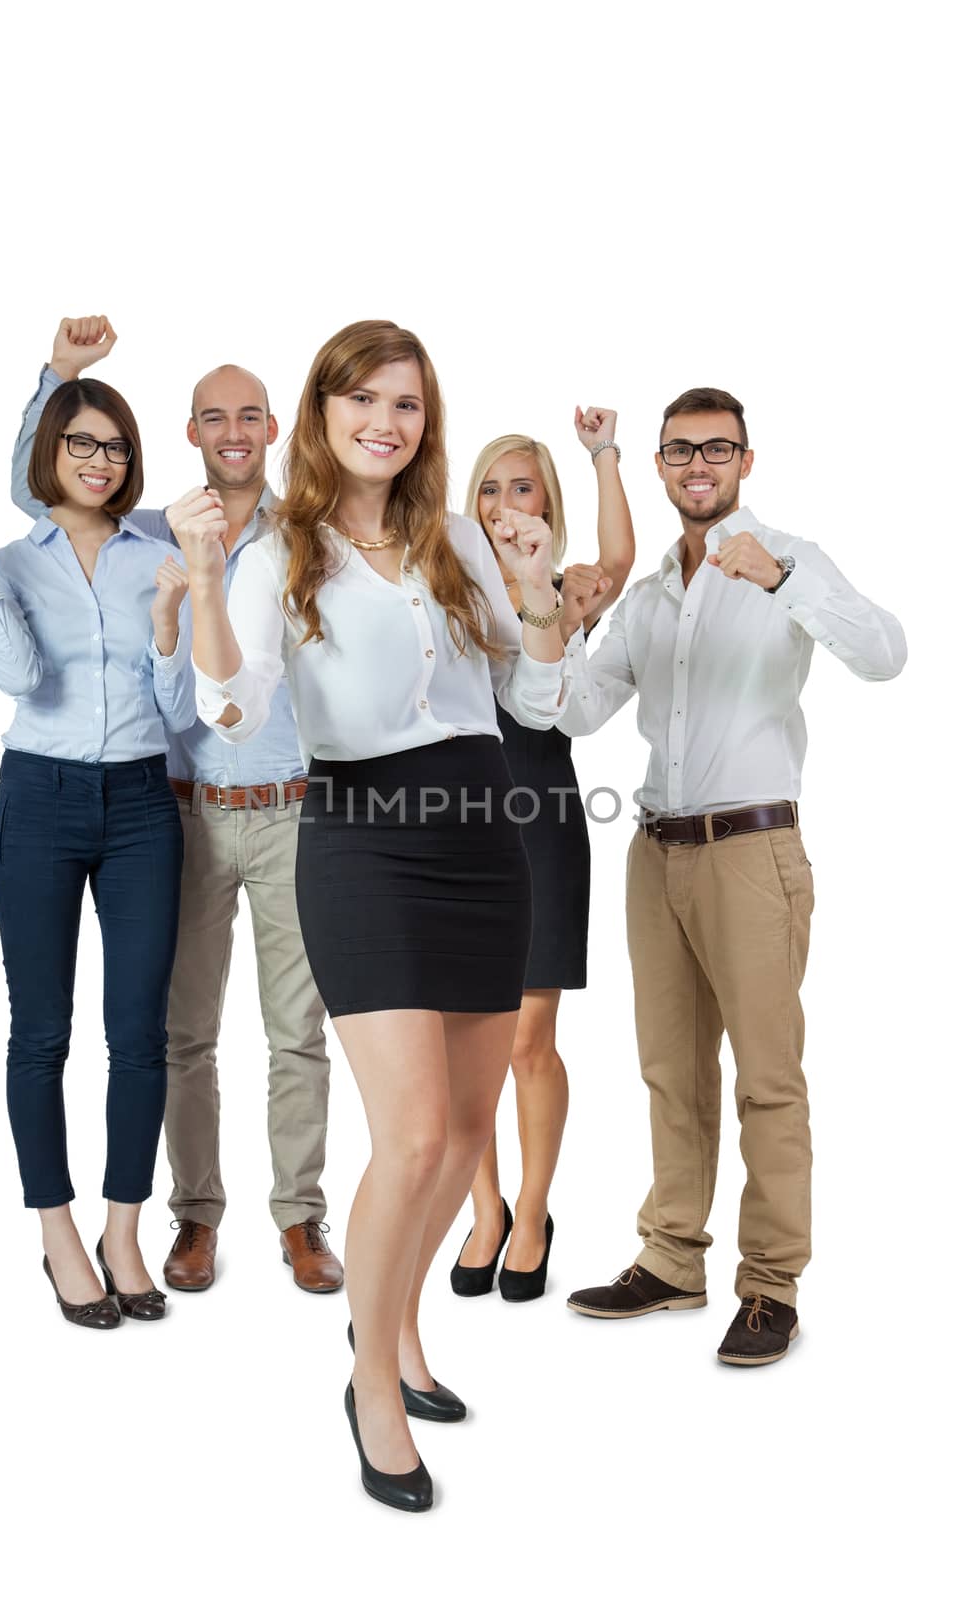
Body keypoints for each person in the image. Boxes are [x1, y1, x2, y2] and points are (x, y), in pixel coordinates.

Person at [169, 319, 569, 1511]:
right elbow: (229, 706)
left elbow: (538, 695)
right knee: (406, 1139)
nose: (383, 423)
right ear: (322, 412)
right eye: (361, 401)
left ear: (422, 422)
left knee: (457, 1134)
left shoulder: (453, 539)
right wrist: (199, 579)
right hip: (359, 839)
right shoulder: (280, 546)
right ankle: (370, 1384)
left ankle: (392, 1333)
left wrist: (541, 583)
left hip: (480, 836)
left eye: (404, 405)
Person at [560, 386, 907, 1364]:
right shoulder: (648, 598)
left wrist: (784, 576)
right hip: (653, 851)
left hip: (752, 854)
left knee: (764, 1076)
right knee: (669, 1072)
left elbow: (885, 655)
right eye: (678, 451)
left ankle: (768, 1284)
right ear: (660, 466)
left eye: (717, 449)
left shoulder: (782, 558)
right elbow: (574, 713)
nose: (697, 465)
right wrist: (563, 624)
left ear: (745, 461)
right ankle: (670, 1260)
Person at [10, 317, 342, 1295]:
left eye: (248, 415)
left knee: (297, 1030)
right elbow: (32, 491)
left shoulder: (307, 537)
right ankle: (193, 1215)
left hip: (290, 809)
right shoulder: (142, 532)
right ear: (190, 432)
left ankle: (300, 1216)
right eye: (213, 417)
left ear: (273, 427)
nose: (232, 431)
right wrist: (56, 379)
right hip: (177, 813)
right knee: (180, 1031)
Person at [0, 376, 196, 1328]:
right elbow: (20, 679)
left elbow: (179, 712)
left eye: (115, 447)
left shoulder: (159, 553)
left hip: (138, 802)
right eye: (81, 443)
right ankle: (57, 1231)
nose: (99, 460)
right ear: (49, 452)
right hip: (37, 802)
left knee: (138, 1033)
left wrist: (169, 624)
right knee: (40, 1032)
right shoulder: (8, 558)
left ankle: (124, 1232)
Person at [450, 411, 634, 1300]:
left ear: (545, 503)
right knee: (462, 1039)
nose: (501, 502)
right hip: (449, 817)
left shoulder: (564, 588)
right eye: (487, 487)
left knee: (526, 1037)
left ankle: (530, 1211)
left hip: (540, 814)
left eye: (520, 486)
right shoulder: (440, 579)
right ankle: (479, 1209)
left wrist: (603, 457)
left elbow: (622, 556)